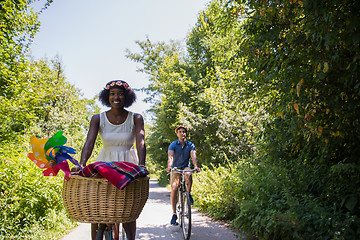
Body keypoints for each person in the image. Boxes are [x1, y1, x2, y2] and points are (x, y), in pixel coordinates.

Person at [77, 80, 146, 240]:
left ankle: (131, 238)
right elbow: (89, 143)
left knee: (127, 209)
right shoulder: (97, 118)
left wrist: (141, 165)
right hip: (105, 163)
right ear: (106, 97)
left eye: (121, 94)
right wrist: (82, 163)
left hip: (128, 164)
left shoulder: (135, 118)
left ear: (127, 97)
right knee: (98, 207)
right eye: (112, 94)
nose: (116, 97)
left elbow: (140, 141)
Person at [166, 125, 200, 225]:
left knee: (189, 173)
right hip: (176, 168)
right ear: (177, 134)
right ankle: (174, 214)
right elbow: (170, 157)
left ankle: (188, 194)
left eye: (184, 132)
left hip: (185, 166)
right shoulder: (173, 145)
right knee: (174, 188)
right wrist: (169, 166)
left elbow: (193, 156)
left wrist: (196, 166)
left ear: (186, 134)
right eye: (180, 132)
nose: (182, 133)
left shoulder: (190, 145)